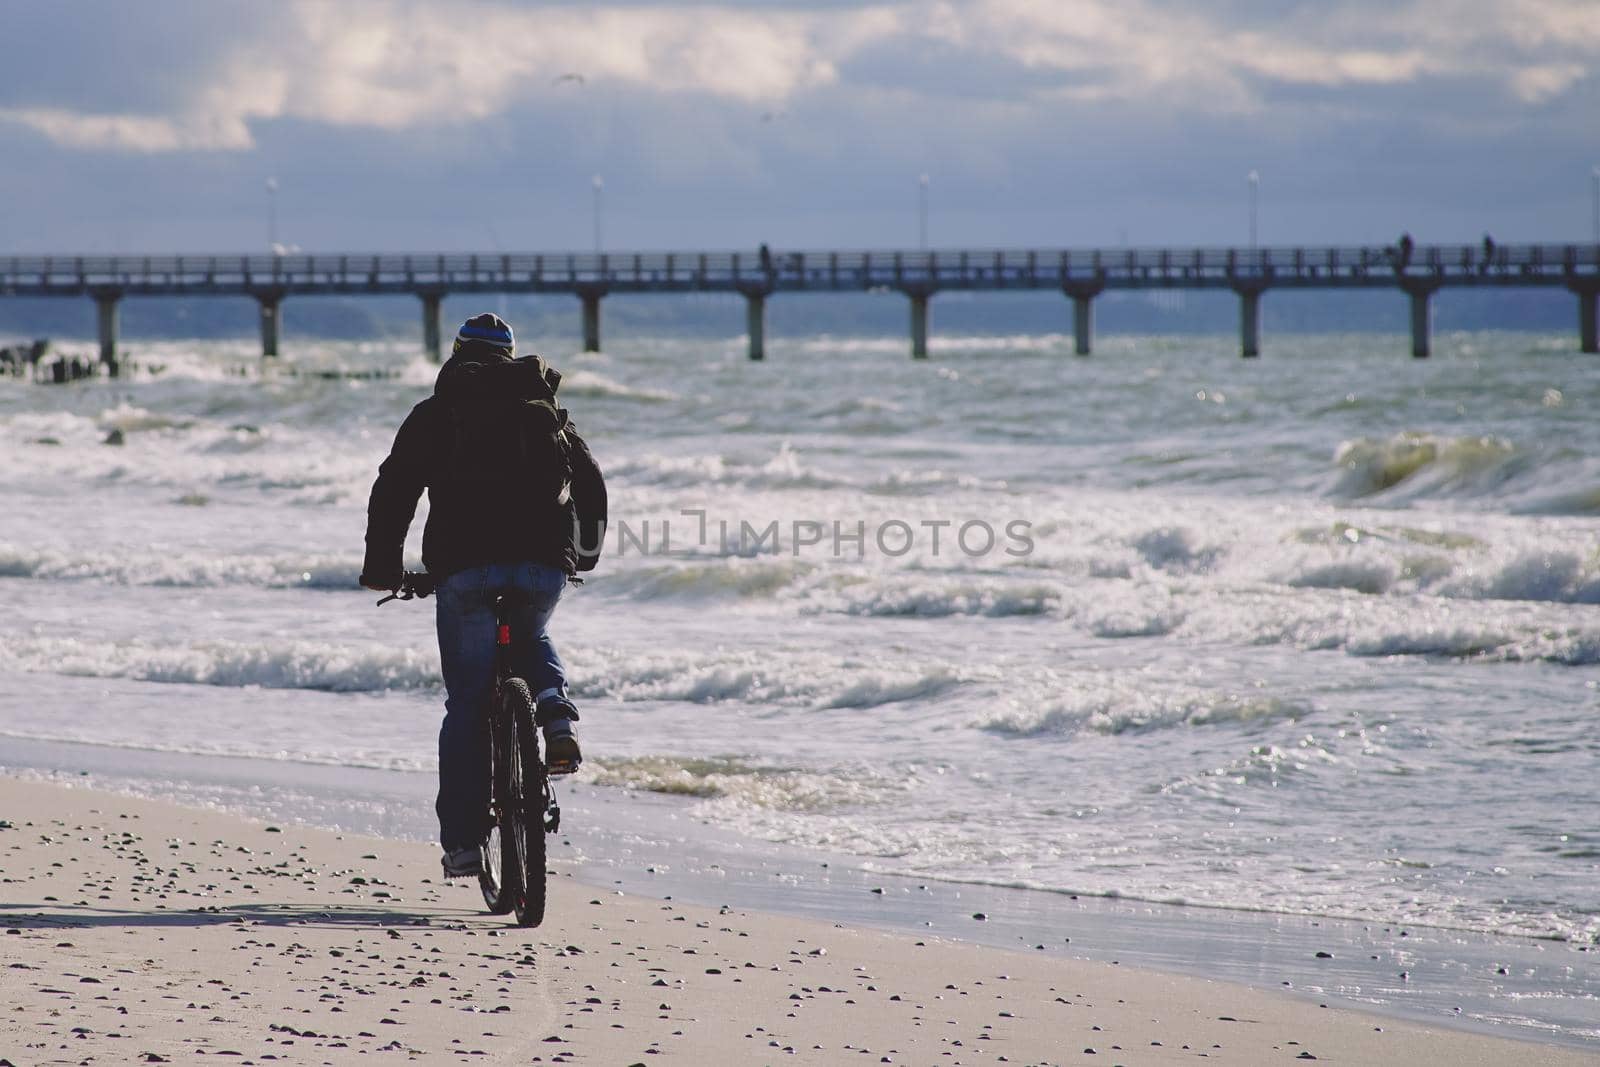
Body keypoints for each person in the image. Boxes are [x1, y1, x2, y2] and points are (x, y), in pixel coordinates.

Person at [361, 312, 607, 878]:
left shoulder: (437, 413)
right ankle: (555, 712)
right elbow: (590, 484)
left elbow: (394, 490)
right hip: (543, 564)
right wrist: (582, 556)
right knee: (532, 634)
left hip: (464, 572)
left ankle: (464, 845)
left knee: (468, 705)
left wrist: (383, 568)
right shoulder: (546, 411)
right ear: (512, 354)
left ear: (456, 353)